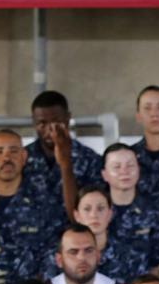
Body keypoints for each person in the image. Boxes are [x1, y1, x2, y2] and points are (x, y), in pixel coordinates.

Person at [0, 128, 68, 260]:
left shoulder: (45, 198)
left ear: (24, 157)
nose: (6, 158)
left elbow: (54, 247)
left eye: (14, 151)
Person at [24, 90, 103, 221]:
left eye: (56, 122)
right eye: (42, 123)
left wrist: (66, 162)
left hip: (74, 238)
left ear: (68, 118)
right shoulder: (22, 158)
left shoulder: (90, 160)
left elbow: (93, 210)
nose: (50, 130)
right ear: (33, 123)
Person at [99, 143, 159, 278]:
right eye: (116, 167)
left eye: (130, 165)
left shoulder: (154, 211)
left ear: (138, 169)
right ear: (105, 174)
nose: (124, 171)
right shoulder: (95, 210)